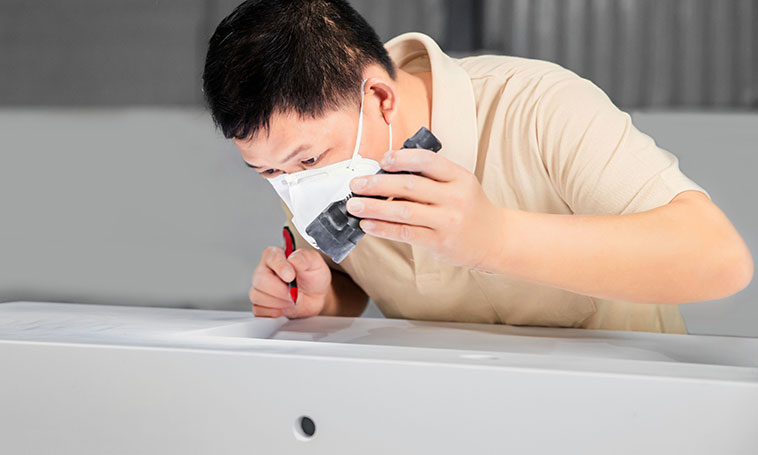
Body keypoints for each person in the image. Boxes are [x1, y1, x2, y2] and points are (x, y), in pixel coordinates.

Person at [202, 0, 753, 333]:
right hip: (456, 411)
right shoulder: (306, 162)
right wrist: (324, 298)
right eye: (268, 173)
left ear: (381, 98)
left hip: (624, 402)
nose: (295, 186)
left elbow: (720, 260)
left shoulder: (541, 107)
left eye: (306, 161)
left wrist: (496, 239)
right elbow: (359, 276)